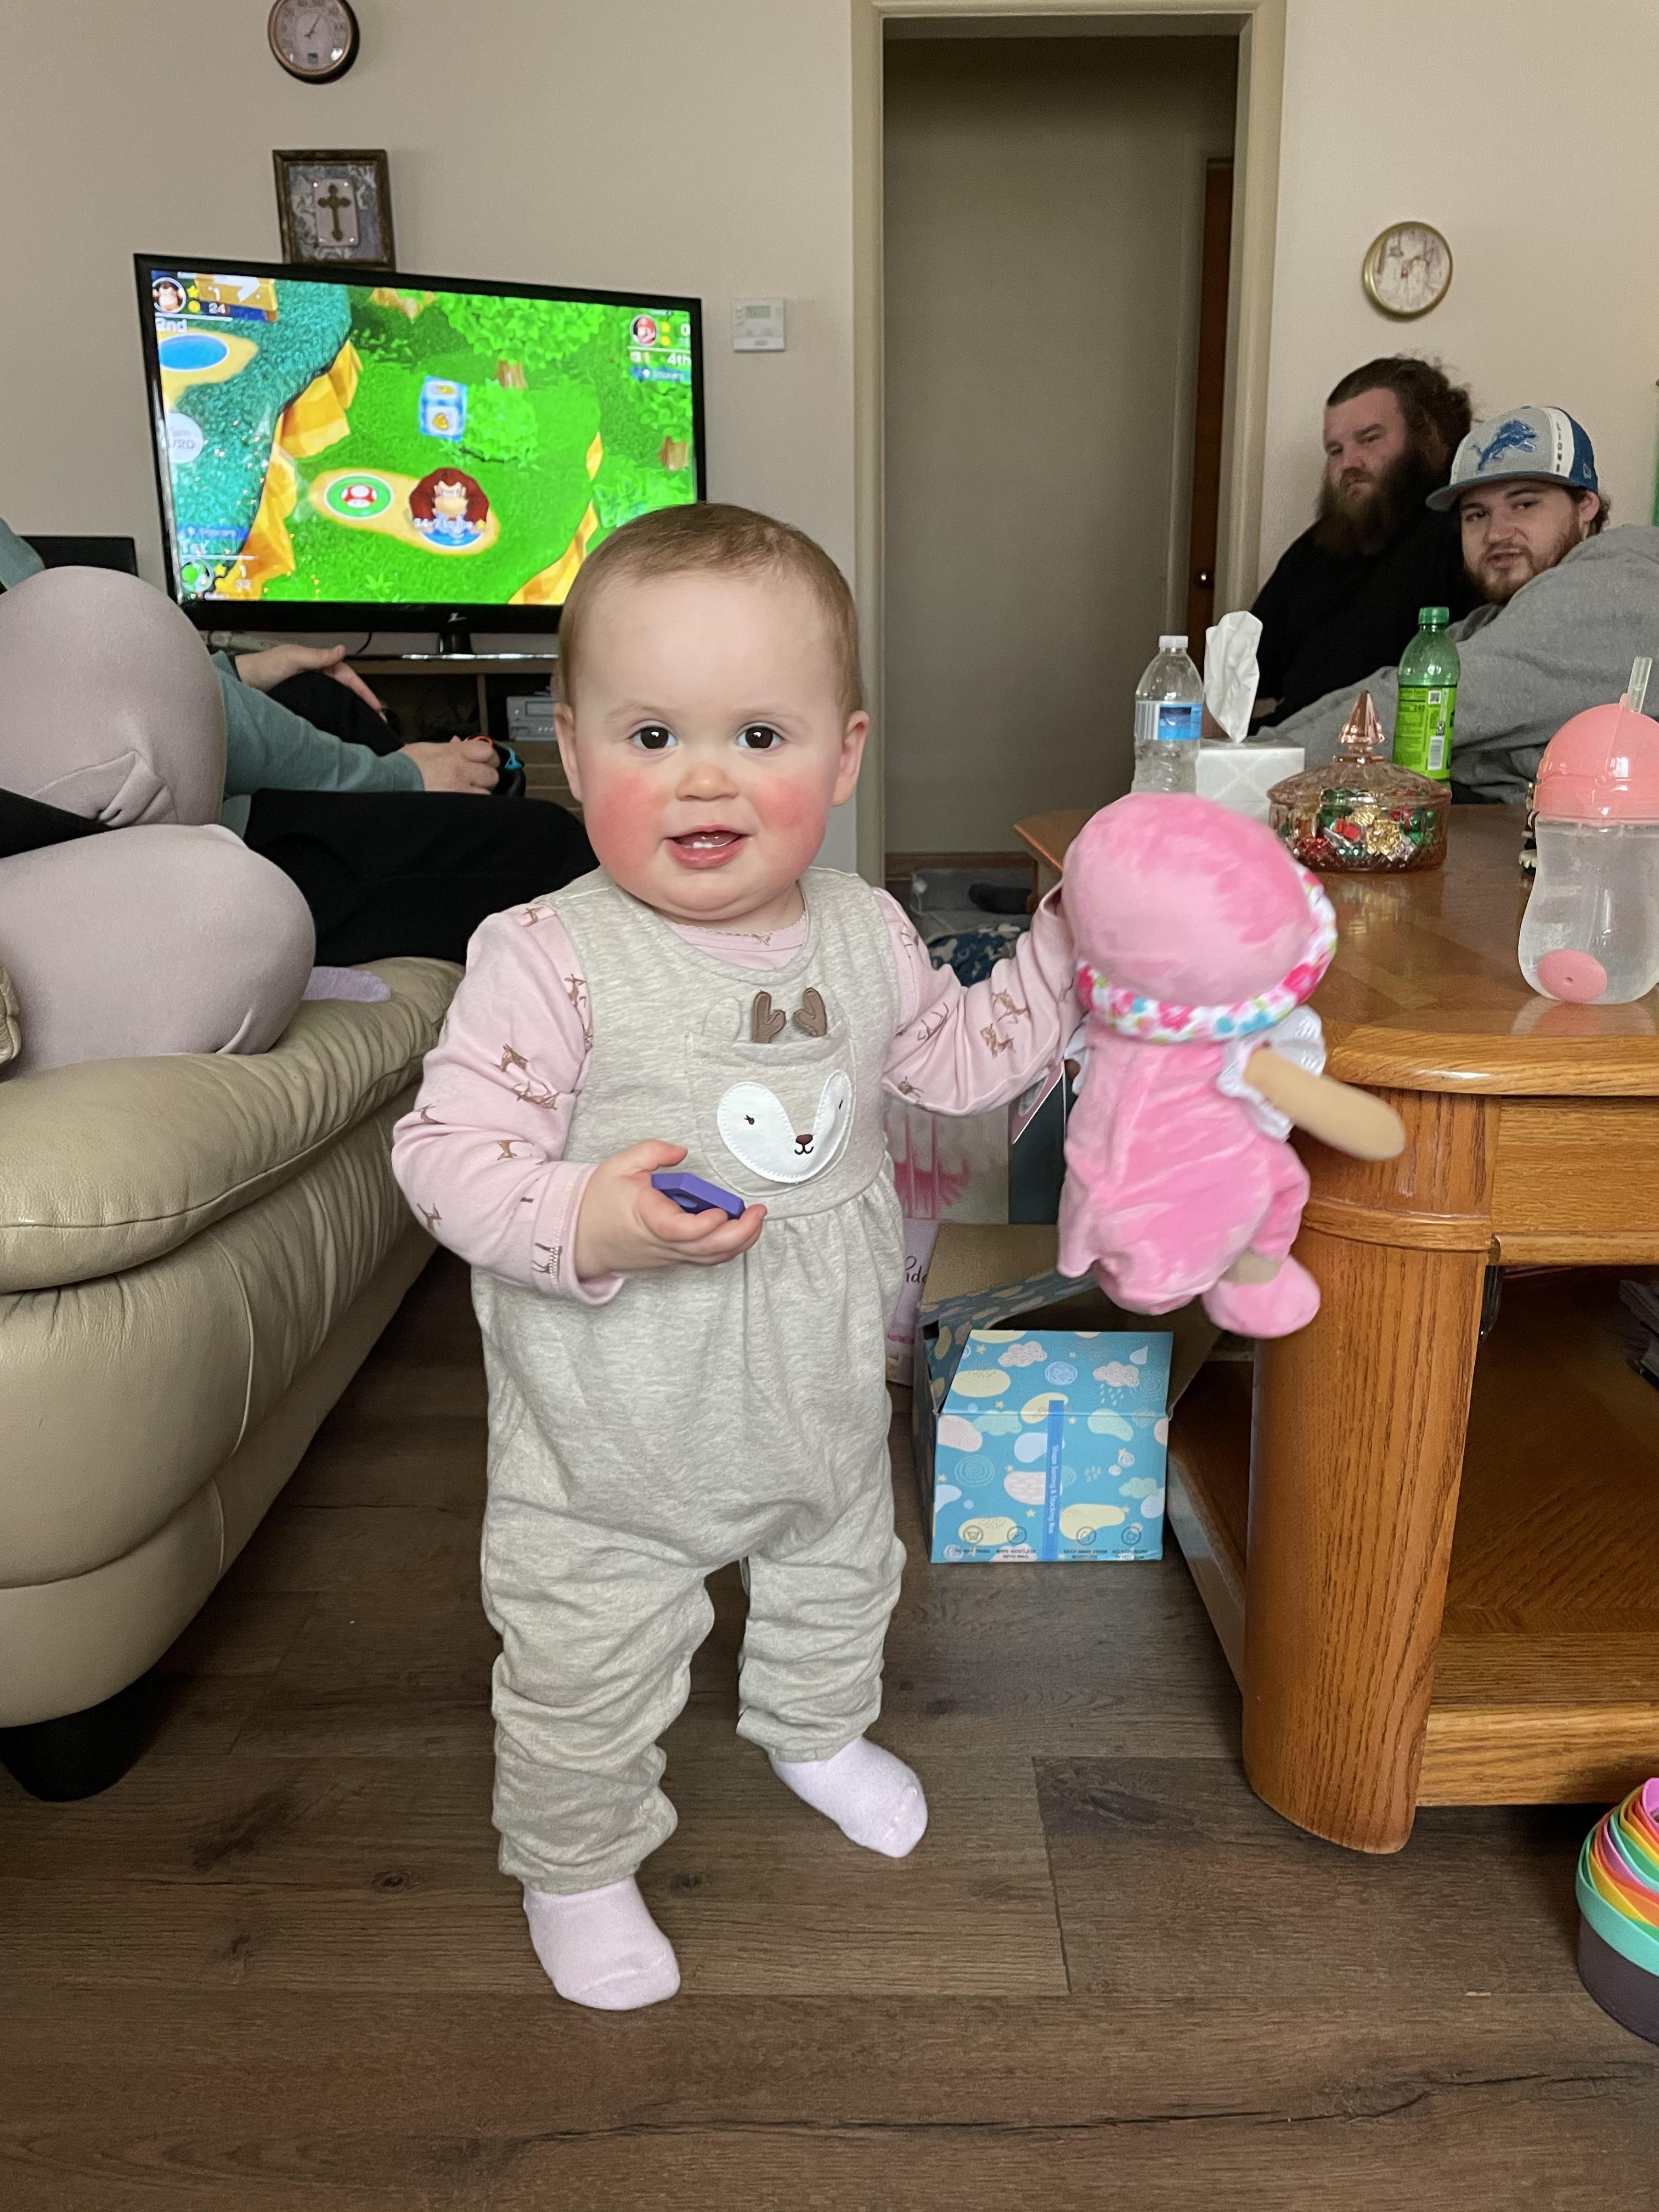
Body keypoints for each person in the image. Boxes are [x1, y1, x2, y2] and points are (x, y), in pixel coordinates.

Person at [389, 504, 1086, 2011]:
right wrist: (588, 1214)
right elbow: (442, 1157)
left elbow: (960, 1066)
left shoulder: (869, 930)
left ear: (841, 758)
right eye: (650, 735)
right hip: (612, 1426)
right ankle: (576, 1864)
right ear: (572, 757)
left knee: (845, 1571)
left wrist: (1073, 949)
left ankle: (814, 1726)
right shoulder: (547, 952)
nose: (704, 776)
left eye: (758, 733)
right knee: (586, 1657)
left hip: (821, 1388)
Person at [0, 517, 595, 963]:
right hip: (133, 863)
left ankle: (435, 814)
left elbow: (89, 686)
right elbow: (109, 676)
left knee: (318, 695)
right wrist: (400, 778)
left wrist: (238, 670)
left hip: (95, 806)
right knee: (557, 841)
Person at [1272, 405, 1659, 803]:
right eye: (1476, 514)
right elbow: (1395, 689)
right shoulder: (1497, 616)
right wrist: (1253, 752)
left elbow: (1420, 713)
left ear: (1585, 507)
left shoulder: (1604, 593)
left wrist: (1251, 773)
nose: (1496, 533)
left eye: (1524, 504)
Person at [1251, 358, 1479, 724]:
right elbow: (1245, 668)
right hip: (1289, 747)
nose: (1348, 464)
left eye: (1370, 439)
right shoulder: (1315, 549)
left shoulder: (1464, 535)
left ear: (1426, 438)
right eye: (1335, 451)